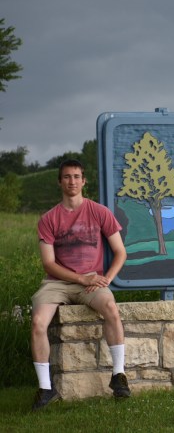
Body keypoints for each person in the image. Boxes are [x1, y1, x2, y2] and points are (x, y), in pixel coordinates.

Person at [31, 160, 131, 410]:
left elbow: (120, 252)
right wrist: (80, 278)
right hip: (57, 283)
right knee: (38, 322)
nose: (72, 181)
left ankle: (118, 376)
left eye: (76, 176)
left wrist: (107, 278)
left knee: (111, 308)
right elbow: (49, 264)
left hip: (92, 281)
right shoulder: (48, 219)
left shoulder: (99, 212)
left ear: (84, 181)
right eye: (67, 177)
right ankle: (45, 388)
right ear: (60, 182)